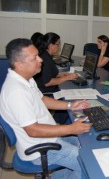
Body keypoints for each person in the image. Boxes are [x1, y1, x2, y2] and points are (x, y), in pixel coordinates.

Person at [0, 38, 92, 179]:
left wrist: (70, 105)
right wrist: (71, 129)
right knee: (88, 164)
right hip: (39, 150)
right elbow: (33, 130)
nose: (40, 60)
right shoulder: (16, 91)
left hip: (50, 138)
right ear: (19, 64)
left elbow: (42, 99)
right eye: (34, 58)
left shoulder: (26, 79)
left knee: (89, 146)